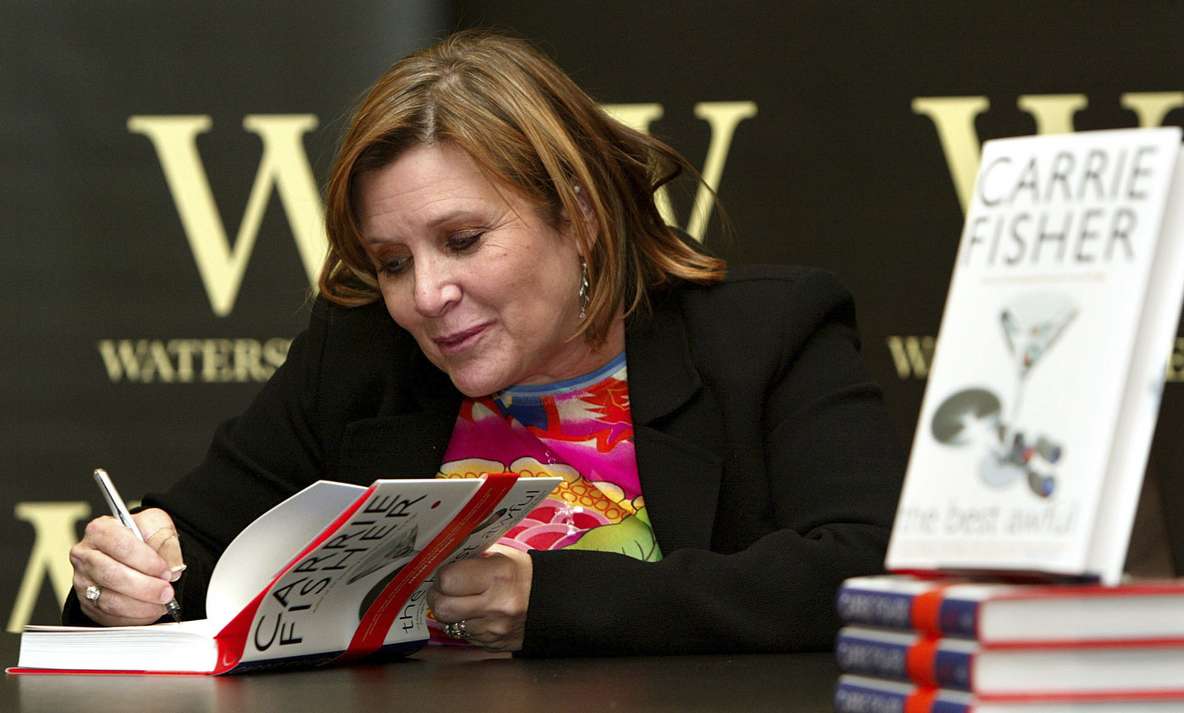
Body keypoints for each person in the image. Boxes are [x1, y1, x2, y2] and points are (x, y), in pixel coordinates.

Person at [64, 30, 904, 656]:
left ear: (574, 212)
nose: (426, 296)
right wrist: (126, 580)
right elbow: (196, 549)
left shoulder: (768, 334)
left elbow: (867, 569)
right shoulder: (361, 354)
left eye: (463, 240)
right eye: (393, 262)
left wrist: (553, 598)